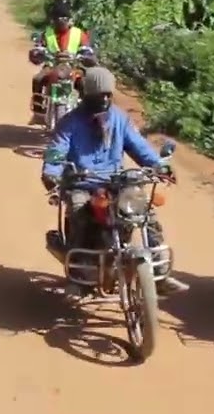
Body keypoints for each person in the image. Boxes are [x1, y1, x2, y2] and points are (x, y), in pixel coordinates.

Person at [39, 68, 173, 286]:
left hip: (116, 182)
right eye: (98, 95)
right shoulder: (70, 123)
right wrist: (51, 172)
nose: (104, 99)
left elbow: (139, 147)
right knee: (79, 212)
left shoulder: (120, 119)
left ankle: (160, 274)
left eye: (108, 95)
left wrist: (159, 166)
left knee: (146, 215)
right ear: (85, 95)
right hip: (82, 183)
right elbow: (57, 150)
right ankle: (78, 272)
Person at [30, 0, 92, 109]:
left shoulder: (79, 33)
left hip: (74, 67)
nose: (61, 20)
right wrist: (37, 53)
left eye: (64, 17)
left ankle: (84, 112)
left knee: (84, 84)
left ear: (70, 20)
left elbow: (87, 49)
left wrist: (86, 55)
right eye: (58, 17)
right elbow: (39, 46)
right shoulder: (47, 33)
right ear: (53, 20)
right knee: (38, 79)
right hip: (51, 67)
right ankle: (38, 108)